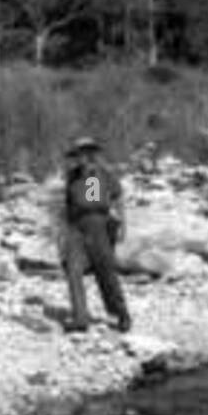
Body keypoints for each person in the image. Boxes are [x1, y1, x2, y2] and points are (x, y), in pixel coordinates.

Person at [61, 136, 131, 334]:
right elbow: (69, 204)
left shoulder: (100, 174)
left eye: (85, 153)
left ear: (91, 154)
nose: (81, 157)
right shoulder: (72, 177)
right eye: (78, 154)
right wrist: (64, 230)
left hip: (98, 224)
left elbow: (115, 198)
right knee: (73, 270)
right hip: (76, 227)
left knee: (105, 271)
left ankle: (121, 313)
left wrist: (123, 224)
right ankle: (80, 317)